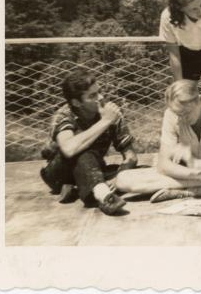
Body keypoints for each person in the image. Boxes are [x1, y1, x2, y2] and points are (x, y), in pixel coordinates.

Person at [39, 69, 138, 216]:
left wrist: (120, 177)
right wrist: (105, 121)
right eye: (93, 96)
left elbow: (130, 156)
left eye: (99, 91)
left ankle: (79, 188)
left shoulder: (109, 112)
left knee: (140, 172)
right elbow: (68, 149)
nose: (101, 97)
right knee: (82, 149)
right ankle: (104, 197)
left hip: (93, 168)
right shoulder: (64, 115)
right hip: (58, 172)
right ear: (76, 102)